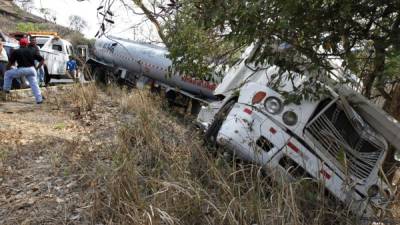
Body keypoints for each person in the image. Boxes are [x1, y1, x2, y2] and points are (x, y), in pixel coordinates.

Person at [3, 38, 44, 104]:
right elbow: (42, 60)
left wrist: (7, 69)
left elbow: (10, 63)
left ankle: (6, 90)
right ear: (27, 43)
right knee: (34, 85)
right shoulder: (32, 50)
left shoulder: (16, 51)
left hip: (22, 69)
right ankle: (39, 100)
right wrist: (37, 68)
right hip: (32, 69)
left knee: (7, 74)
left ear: (19, 44)